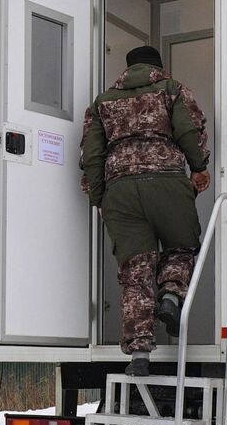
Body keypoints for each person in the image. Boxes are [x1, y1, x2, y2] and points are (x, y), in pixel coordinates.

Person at [79, 45, 211, 375]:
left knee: (135, 269)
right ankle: (169, 296)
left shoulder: (102, 101)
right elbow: (189, 131)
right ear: (157, 66)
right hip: (167, 180)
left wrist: (98, 197)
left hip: (120, 190)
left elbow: (92, 155)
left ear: (127, 68)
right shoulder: (172, 89)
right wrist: (198, 168)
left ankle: (139, 352)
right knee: (181, 246)